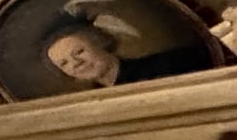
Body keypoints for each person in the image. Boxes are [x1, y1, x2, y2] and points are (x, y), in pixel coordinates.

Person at [41, 9, 206, 89]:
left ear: (101, 42)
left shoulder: (167, 65)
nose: (76, 63)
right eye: (64, 63)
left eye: (79, 52)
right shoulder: (94, 103)